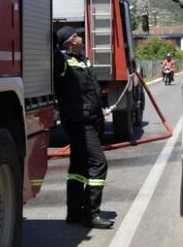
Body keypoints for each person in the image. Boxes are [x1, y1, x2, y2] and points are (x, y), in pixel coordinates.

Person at [53, 26, 114, 229]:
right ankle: (91, 214)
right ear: (70, 42)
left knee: (79, 166)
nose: (80, 37)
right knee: (99, 163)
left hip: (91, 119)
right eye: (76, 35)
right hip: (78, 121)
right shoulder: (61, 60)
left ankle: (74, 212)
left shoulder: (83, 60)